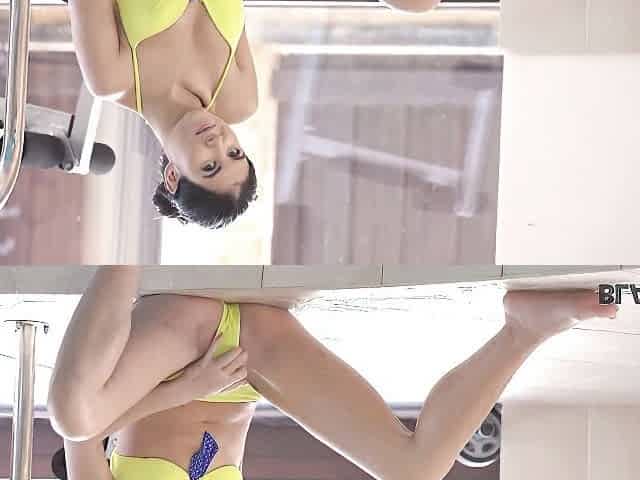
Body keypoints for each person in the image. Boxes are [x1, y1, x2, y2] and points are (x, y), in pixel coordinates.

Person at [48, 266, 616, 480]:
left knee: (74, 416)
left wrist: (188, 387)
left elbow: (85, 437)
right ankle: (524, 329)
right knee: (414, 472)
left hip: (184, 345)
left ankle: (120, 256)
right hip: (252, 360)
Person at [65, 0, 442, 228]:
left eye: (209, 166)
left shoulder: (112, 79)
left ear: (173, 175)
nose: (218, 142)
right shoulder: (238, 99)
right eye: (234, 153)